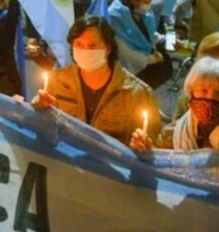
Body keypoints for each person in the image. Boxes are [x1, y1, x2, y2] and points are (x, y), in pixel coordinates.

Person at [31, 16, 161, 146]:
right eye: (79, 45)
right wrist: (37, 110)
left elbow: (152, 146)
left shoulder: (138, 93)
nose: (85, 51)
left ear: (108, 49)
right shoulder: (56, 82)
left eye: (93, 46)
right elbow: (43, 132)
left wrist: (142, 145)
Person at [133, 58, 219, 163]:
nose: (210, 100)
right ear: (191, 94)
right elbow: (156, 167)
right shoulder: (172, 134)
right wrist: (146, 151)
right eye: (203, 91)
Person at [108, 0, 171, 86]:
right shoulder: (115, 18)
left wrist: (164, 39)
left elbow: (146, 33)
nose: (149, 5)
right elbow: (122, 50)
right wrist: (148, 60)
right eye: (146, 2)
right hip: (129, 70)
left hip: (145, 66)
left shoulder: (140, 12)